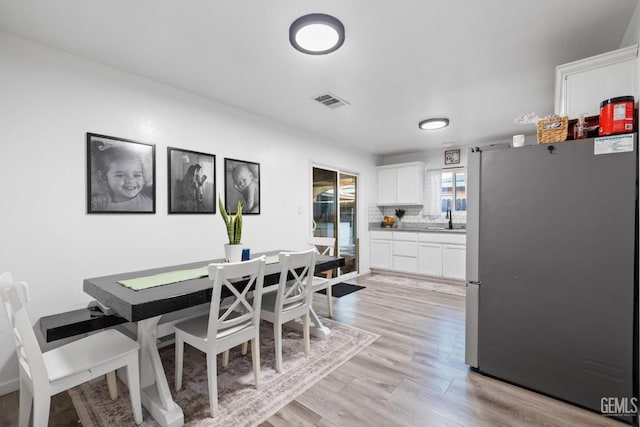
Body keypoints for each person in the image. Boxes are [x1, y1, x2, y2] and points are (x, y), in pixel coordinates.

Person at [91, 146, 153, 211]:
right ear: (103, 176)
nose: (131, 180)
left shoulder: (148, 194)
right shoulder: (98, 203)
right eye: (120, 175)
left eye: (137, 175)